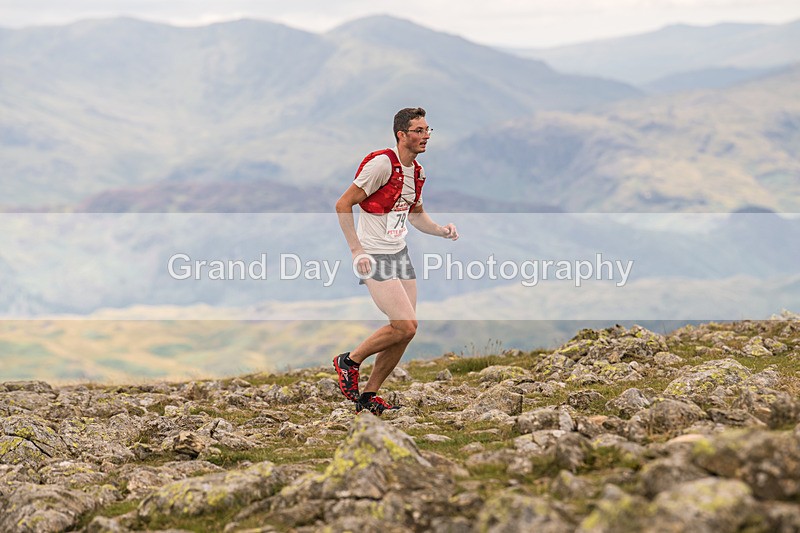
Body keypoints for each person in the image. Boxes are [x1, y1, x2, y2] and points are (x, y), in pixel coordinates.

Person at [333, 107, 459, 415]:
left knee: (407, 329)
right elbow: (343, 203)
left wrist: (441, 231)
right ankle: (349, 361)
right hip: (374, 254)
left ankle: (368, 396)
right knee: (403, 324)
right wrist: (356, 250)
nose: (425, 136)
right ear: (401, 135)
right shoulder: (381, 164)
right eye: (418, 130)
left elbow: (415, 215)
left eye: (428, 130)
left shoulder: (418, 172)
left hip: (399, 253)